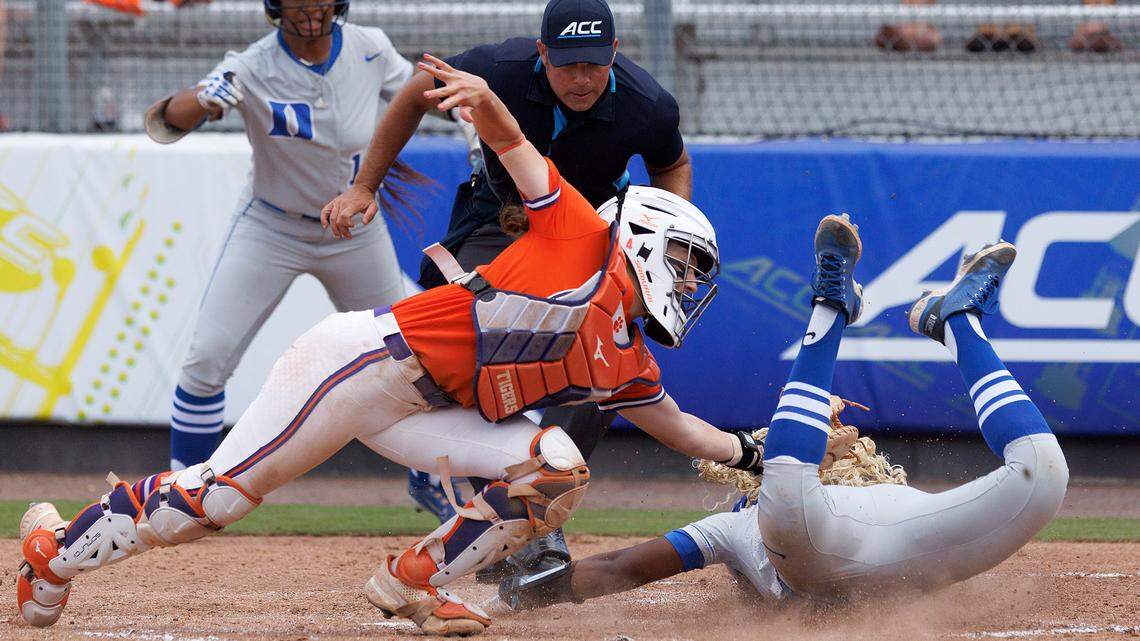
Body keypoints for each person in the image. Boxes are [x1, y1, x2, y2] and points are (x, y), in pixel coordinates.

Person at [15, 53, 766, 637]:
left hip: (424, 406)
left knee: (557, 469)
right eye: (680, 263)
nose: (684, 282)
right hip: (364, 364)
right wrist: (485, 97)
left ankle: (412, 578)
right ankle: (51, 551)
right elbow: (510, 142)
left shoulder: (626, 354)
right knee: (211, 501)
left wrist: (757, 451)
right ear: (641, 238)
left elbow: (685, 430)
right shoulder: (578, 228)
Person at [494, 220, 1068, 611]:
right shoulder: (743, 521)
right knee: (790, 494)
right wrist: (527, 592)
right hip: (817, 557)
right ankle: (831, 305)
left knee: (1047, 473)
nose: (846, 436)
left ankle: (957, 320)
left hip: (923, 545)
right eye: (827, 429)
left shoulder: (890, 489)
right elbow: (622, 567)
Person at [322, 0, 693, 579]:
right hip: (500, 217)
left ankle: (535, 510)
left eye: (594, 65)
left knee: (602, 361)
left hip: (588, 228)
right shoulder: (501, 67)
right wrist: (364, 185)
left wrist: (662, 243)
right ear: (542, 53)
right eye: (567, 64)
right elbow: (420, 86)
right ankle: (466, 487)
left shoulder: (648, 105)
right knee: (477, 335)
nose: (582, 79)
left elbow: (673, 164)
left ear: (614, 55)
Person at [142, 0, 470, 514]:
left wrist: (473, 111)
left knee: (415, 354)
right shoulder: (250, 64)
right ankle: (184, 490)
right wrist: (205, 99)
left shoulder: (369, 47)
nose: (310, 6)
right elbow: (164, 123)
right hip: (273, 226)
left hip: (355, 226)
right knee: (207, 358)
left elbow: (423, 94)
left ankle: (432, 478)